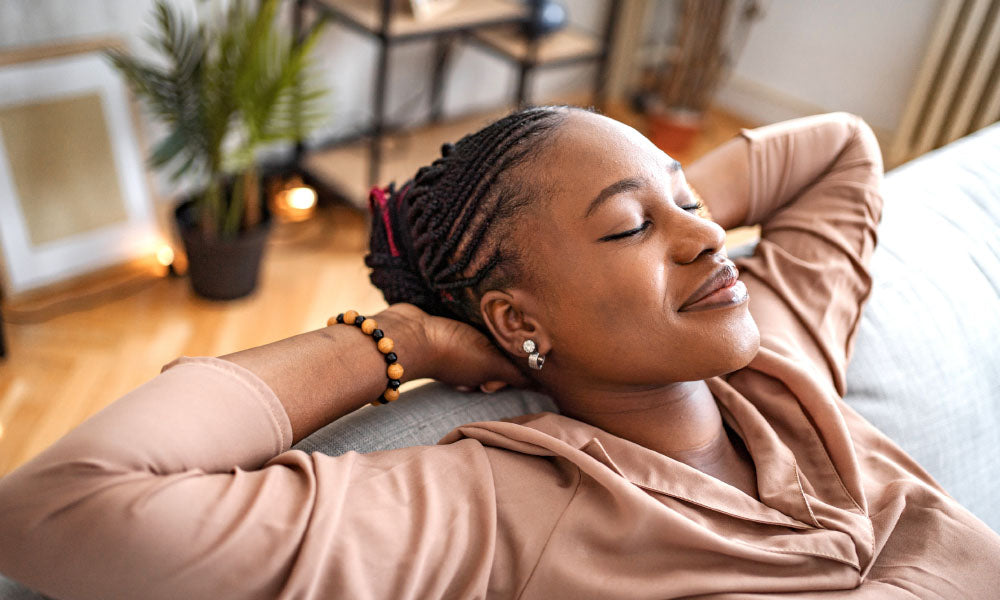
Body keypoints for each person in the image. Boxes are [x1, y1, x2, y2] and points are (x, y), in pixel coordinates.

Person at [0, 107, 997, 599]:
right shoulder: (498, 506)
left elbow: (838, 152)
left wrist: (658, 207)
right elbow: (59, 504)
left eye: (690, 202)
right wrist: (401, 341)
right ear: (518, 324)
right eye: (625, 230)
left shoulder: (778, 353)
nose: (704, 238)